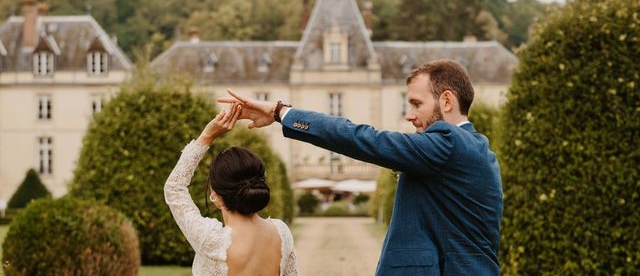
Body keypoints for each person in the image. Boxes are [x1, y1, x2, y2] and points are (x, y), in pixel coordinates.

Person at [220, 59, 502, 275]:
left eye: (417, 104)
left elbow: (359, 138)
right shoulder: (478, 149)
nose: (409, 115)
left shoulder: (449, 144)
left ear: (447, 100)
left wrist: (280, 112)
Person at [164, 103, 299, 276]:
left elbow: (174, 187)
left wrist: (207, 136)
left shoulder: (211, 240)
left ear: (216, 196)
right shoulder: (282, 233)